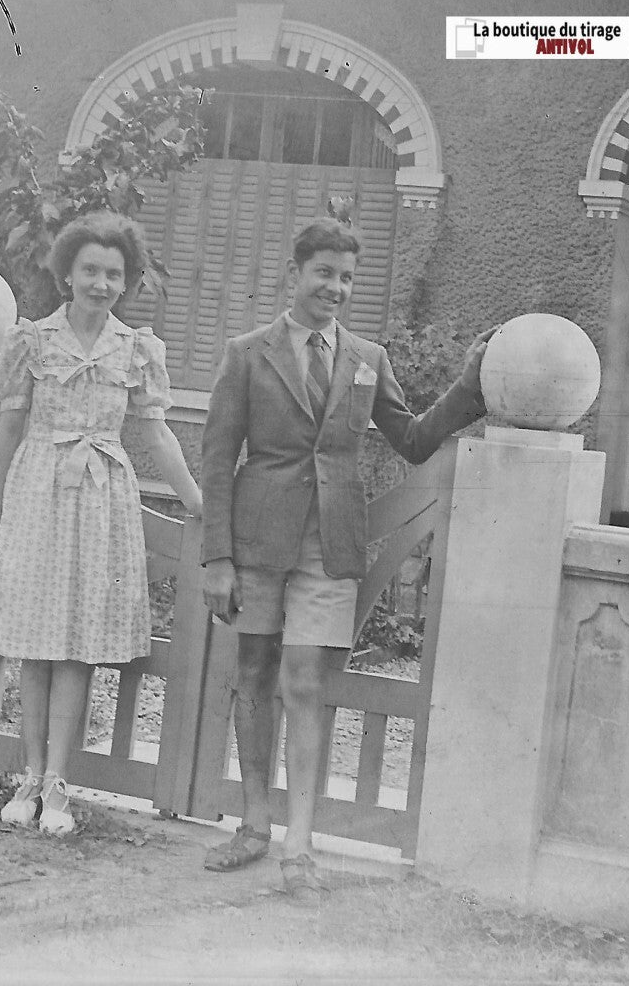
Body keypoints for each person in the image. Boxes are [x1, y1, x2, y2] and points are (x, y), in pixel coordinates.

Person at [199, 213, 496, 903]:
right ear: (294, 273)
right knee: (253, 671)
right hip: (256, 541)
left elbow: (414, 439)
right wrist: (218, 556)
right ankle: (253, 822)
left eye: (347, 278)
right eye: (324, 273)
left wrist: (470, 385)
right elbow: (217, 460)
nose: (335, 287)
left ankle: (299, 843)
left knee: (304, 682)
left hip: (330, 545)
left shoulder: (367, 357)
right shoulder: (246, 353)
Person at [0, 210, 202, 836]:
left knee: (77, 643)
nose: (102, 283)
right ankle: (28, 773)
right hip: (38, 490)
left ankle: (57, 783)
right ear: (67, 275)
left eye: (114, 273)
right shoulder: (33, 342)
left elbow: (156, 433)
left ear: (126, 282)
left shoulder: (136, 350)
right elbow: (8, 429)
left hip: (101, 496)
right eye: (90, 271)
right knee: (35, 639)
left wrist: (194, 498)